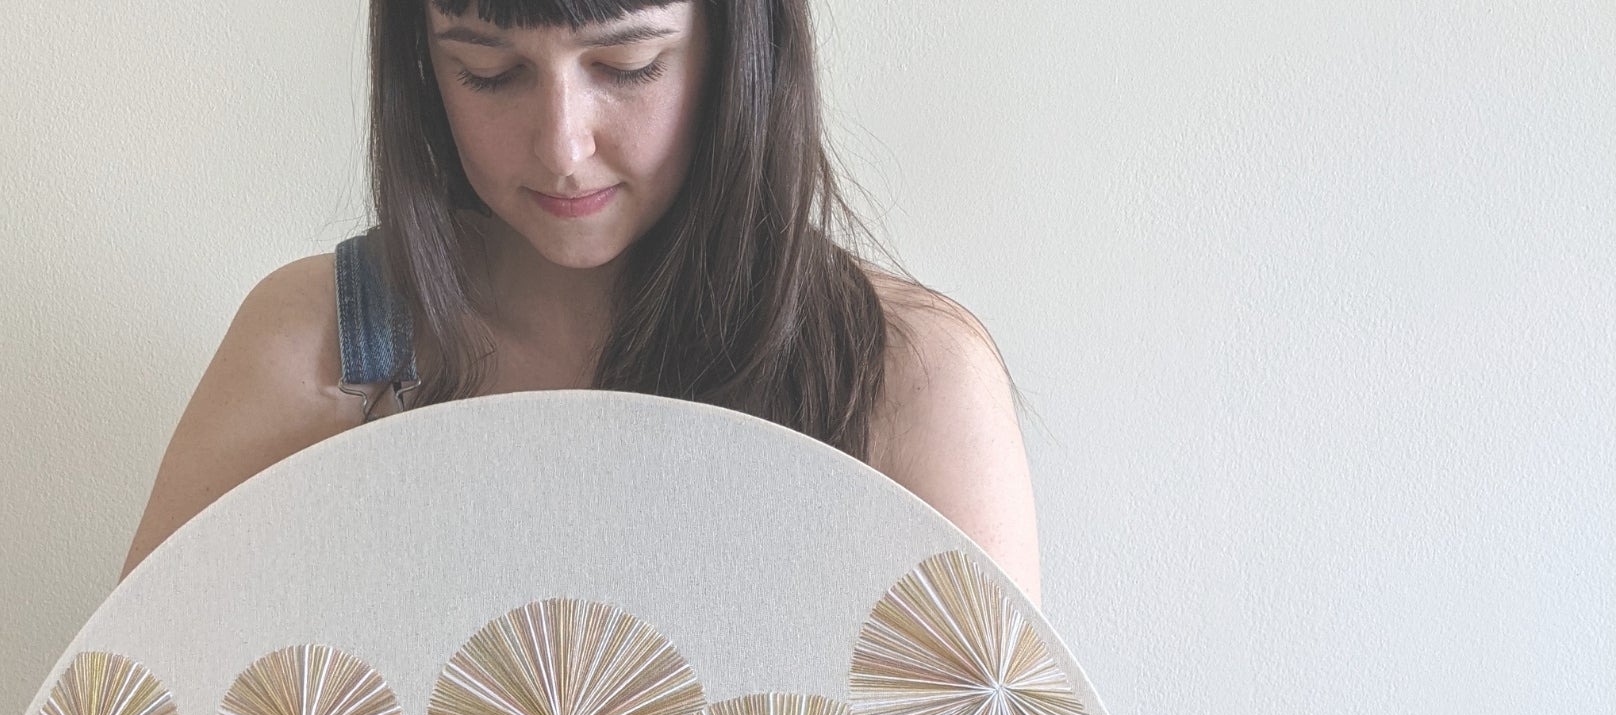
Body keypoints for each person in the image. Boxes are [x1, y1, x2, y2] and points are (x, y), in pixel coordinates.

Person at [121, 0, 1041, 606]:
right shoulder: (317, 345)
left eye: (629, 62)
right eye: (488, 70)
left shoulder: (908, 375)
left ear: (738, 46)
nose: (561, 146)